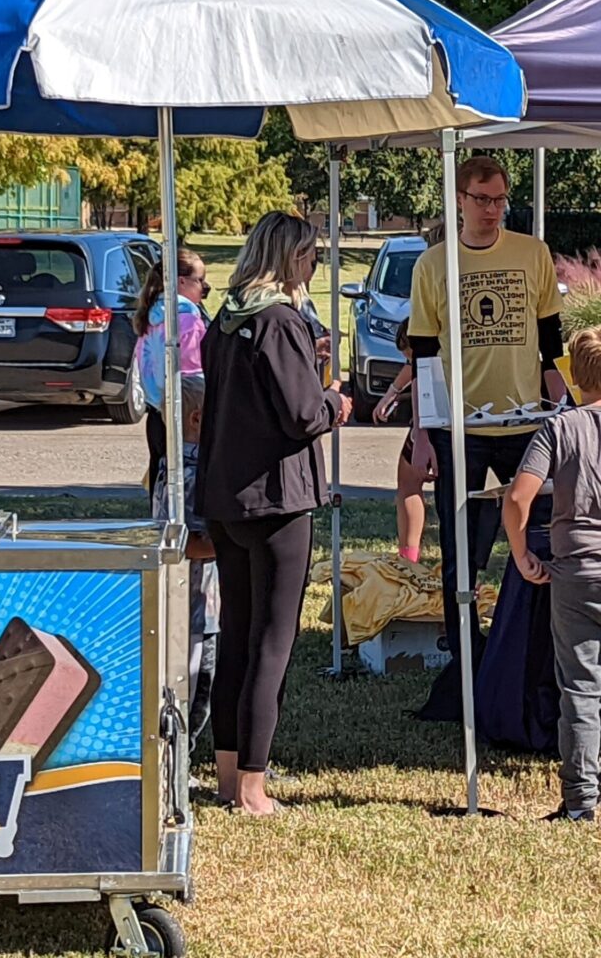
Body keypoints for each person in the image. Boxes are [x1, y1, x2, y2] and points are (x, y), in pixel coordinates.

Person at [196, 211, 351, 816]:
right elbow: (301, 416)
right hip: (279, 498)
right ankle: (255, 789)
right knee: (272, 641)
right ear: (290, 258)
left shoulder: (226, 321)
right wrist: (332, 400)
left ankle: (229, 776)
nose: (315, 264)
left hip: (228, 496)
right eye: (311, 255)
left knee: (236, 635)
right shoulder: (280, 320)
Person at [408, 156, 566, 718]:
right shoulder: (432, 265)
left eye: (501, 200)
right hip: (461, 429)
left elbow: (551, 343)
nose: (494, 210)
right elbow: (424, 353)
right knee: (462, 554)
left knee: (541, 540)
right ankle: (466, 666)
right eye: (483, 199)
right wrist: (423, 435)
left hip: (528, 424)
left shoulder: (532, 254)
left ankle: (534, 658)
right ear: (458, 199)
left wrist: (563, 412)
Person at [502, 327, 601, 822]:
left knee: (581, 686)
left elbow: (517, 498)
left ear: (574, 376)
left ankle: (582, 800)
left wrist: (522, 555)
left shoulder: (560, 429)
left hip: (577, 569)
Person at [152, 373, 219, 761]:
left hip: (200, 606)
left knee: (201, 686)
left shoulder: (171, 467)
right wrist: (226, 544)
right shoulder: (190, 476)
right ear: (195, 420)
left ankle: (183, 756)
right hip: (192, 606)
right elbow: (187, 543)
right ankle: (177, 761)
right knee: (193, 687)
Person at [134, 249, 209, 498]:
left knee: (161, 486)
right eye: (200, 281)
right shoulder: (185, 319)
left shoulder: (151, 318)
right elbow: (192, 374)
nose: (204, 288)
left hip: (156, 414)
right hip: (183, 416)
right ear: (181, 282)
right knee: (185, 492)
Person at [373, 319, 430, 563]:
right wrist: (391, 393)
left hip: (435, 418)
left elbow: (418, 373)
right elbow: (412, 368)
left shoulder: (426, 338)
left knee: (408, 481)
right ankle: (408, 556)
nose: (410, 363)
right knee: (407, 480)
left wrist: (420, 431)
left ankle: (409, 556)